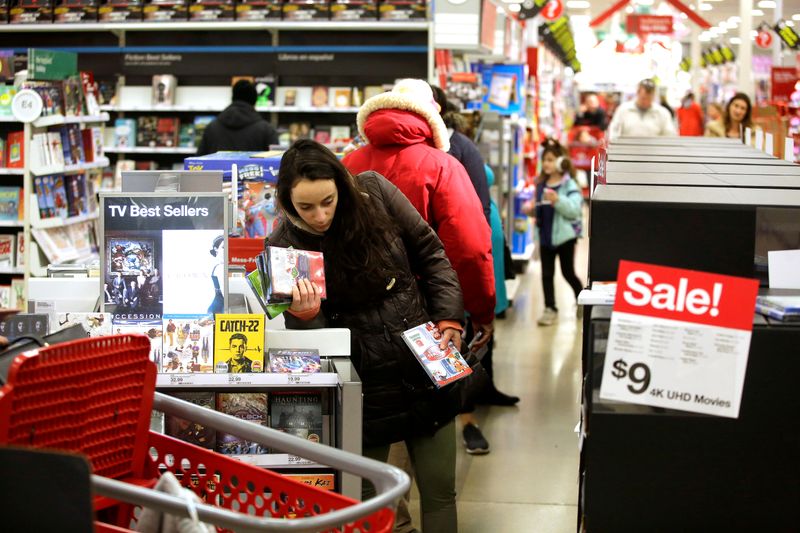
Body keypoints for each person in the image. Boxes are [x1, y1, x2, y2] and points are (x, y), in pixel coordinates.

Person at [269, 139, 465, 532]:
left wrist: (449, 319)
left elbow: (431, 253)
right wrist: (306, 317)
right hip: (362, 382)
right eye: (305, 207)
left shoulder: (374, 191)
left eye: (328, 200)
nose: (320, 215)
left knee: (440, 490)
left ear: (340, 184)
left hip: (423, 357)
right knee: (368, 503)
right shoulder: (284, 246)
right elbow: (313, 348)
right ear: (288, 202)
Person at [523, 140, 584, 326]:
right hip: (545, 236)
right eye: (545, 160)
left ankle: (582, 300)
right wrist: (531, 209)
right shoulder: (541, 184)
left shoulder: (570, 185)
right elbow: (539, 208)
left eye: (551, 159)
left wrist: (558, 200)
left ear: (560, 161)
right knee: (546, 274)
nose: (547, 164)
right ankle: (550, 308)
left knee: (568, 272)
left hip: (565, 238)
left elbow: (574, 210)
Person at [197, 80, 279, 155]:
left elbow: (198, 163)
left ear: (233, 98)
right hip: (252, 171)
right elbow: (277, 162)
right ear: (254, 101)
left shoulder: (211, 128)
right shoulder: (266, 130)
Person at [608, 79, 676, 140]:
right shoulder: (623, 110)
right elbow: (614, 132)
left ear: (654, 96)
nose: (646, 101)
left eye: (649, 99)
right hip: (627, 151)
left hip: (654, 152)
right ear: (637, 93)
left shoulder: (662, 113)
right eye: (643, 98)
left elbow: (670, 135)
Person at [208, 236, 224, 314]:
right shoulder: (220, 268)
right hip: (220, 311)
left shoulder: (220, 266)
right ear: (216, 249)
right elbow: (226, 294)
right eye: (223, 247)